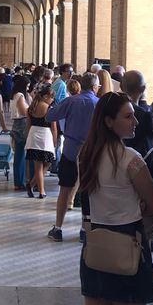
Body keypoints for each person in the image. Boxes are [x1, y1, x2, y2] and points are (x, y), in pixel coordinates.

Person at [76, 92, 153, 305]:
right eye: (128, 116)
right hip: (129, 247)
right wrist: (137, 204)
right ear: (109, 121)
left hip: (96, 245)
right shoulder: (131, 159)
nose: (135, 121)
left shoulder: (86, 155)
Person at [121, 70, 153, 305]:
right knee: (141, 254)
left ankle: (120, 303)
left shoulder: (107, 149)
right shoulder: (146, 119)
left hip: (118, 207)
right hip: (141, 199)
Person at [45, 72, 100, 241]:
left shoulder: (71, 101)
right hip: (90, 154)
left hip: (70, 151)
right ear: (94, 87)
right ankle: (84, 230)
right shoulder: (99, 104)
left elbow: (50, 116)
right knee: (88, 191)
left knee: (65, 189)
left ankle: (58, 228)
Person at [25, 83, 57, 199]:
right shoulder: (49, 109)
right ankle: (41, 191)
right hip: (45, 136)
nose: (52, 100)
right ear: (46, 97)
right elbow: (54, 128)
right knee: (45, 163)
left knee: (41, 164)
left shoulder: (31, 108)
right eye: (52, 98)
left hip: (33, 134)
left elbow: (28, 125)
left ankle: (31, 184)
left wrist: (28, 138)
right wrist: (54, 142)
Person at [10, 74, 30, 189]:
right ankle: (20, 181)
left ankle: (19, 181)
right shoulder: (20, 95)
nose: (28, 88)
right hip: (22, 125)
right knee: (21, 154)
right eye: (27, 86)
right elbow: (23, 112)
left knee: (19, 153)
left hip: (17, 124)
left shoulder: (14, 95)